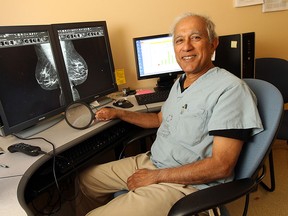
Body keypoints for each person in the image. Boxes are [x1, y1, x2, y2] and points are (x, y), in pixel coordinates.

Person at [76, 12, 263, 216]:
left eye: (196, 37)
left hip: (187, 187)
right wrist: (119, 113)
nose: (186, 47)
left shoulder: (231, 90)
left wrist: (156, 177)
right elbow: (158, 119)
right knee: (86, 180)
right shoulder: (181, 82)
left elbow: (221, 166)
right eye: (179, 40)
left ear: (213, 43)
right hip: (153, 162)